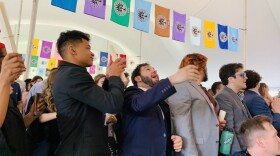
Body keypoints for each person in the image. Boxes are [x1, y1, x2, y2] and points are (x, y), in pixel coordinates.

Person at [52, 30, 126, 156]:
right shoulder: (73, 74)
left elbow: (99, 99)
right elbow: (112, 104)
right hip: (83, 149)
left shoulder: (69, 72)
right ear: (72, 50)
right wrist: (115, 76)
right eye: (87, 48)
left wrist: (108, 78)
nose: (92, 53)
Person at [121, 62, 199, 156]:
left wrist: (173, 139)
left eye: (154, 68)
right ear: (138, 78)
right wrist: (172, 79)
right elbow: (139, 105)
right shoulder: (131, 93)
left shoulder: (160, 102)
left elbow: (160, 130)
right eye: (148, 69)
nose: (154, 70)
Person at [168, 53, 225, 156]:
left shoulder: (200, 89)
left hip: (210, 147)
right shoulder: (181, 87)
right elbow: (181, 125)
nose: (206, 69)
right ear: (198, 66)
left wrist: (215, 124)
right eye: (205, 66)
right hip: (196, 150)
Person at [0, 53, 45, 155]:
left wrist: (33, 114)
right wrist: (4, 81)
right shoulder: (4, 89)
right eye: (4, 56)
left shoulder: (8, 92)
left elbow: (16, 126)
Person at [215, 63, 252, 154]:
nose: (246, 78)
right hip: (238, 149)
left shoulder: (237, 95)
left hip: (247, 146)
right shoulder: (223, 96)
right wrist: (237, 153)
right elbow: (228, 129)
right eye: (242, 75)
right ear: (231, 79)